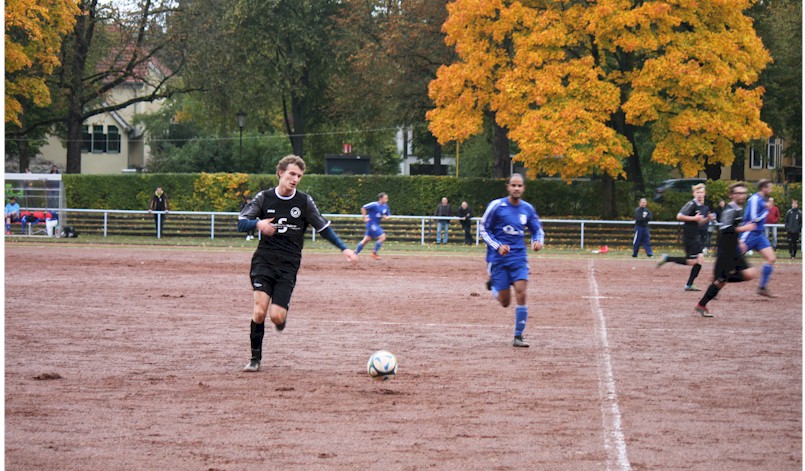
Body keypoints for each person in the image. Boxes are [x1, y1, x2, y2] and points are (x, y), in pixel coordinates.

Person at [238, 155, 358, 372]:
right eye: (292, 174)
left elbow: (323, 229)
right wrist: (258, 224)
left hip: (288, 265)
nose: (295, 179)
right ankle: (255, 358)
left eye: (299, 176)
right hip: (264, 261)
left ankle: (280, 316)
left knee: (276, 316)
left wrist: (345, 248)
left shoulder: (304, 201)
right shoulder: (264, 198)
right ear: (280, 173)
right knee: (258, 312)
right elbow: (241, 223)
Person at [480, 174, 544, 348]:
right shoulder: (496, 206)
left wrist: (538, 241)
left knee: (521, 291)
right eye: (513, 185)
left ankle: (518, 336)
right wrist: (498, 245)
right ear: (508, 187)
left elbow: (537, 229)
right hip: (498, 258)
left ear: (523, 188)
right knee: (505, 302)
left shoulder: (527, 209)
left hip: (518, 257)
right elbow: (483, 229)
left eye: (520, 186)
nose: (517, 188)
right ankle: (494, 285)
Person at [694, 182, 760, 317]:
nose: (742, 196)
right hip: (726, 251)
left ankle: (717, 279)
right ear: (732, 195)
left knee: (749, 273)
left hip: (733, 249)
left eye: (744, 193)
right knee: (723, 281)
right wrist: (744, 229)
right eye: (739, 193)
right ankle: (702, 303)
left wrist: (739, 241)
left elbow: (732, 231)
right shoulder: (729, 209)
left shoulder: (738, 209)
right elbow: (725, 229)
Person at [657, 183, 715, 291]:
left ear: (705, 193)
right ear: (694, 193)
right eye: (697, 192)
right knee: (692, 261)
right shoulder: (691, 204)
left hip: (697, 237)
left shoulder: (704, 207)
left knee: (700, 260)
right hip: (690, 236)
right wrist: (694, 218)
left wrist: (707, 219)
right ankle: (667, 258)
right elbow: (679, 216)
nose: (700, 194)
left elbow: (699, 222)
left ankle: (689, 285)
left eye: (701, 192)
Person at [740, 179, 777, 297]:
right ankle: (715, 283)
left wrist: (766, 207)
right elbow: (753, 217)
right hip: (749, 233)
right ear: (763, 188)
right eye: (769, 188)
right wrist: (767, 209)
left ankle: (762, 287)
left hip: (759, 235)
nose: (770, 190)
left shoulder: (761, 200)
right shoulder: (755, 199)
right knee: (733, 259)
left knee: (771, 258)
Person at [355, 192, 391, 260]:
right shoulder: (374, 204)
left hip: (376, 224)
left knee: (366, 240)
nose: (387, 200)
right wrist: (364, 217)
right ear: (380, 198)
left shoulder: (385, 206)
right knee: (382, 237)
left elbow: (388, 215)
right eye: (385, 198)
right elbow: (363, 207)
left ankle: (354, 254)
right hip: (371, 223)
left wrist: (386, 217)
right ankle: (374, 253)